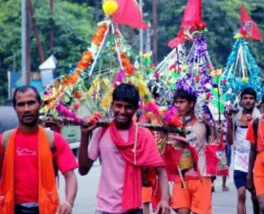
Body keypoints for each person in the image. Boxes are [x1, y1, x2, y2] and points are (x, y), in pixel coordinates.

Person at [78, 83, 170, 214]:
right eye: (118, 106)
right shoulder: (101, 132)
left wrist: (165, 199)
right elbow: (83, 170)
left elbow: (161, 171)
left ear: (135, 109)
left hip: (134, 209)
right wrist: (84, 135)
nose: (122, 111)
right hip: (105, 209)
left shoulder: (143, 135)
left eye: (128, 107)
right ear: (112, 105)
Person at [0, 85, 78, 214]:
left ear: (40, 104)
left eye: (31, 103)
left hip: (46, 209)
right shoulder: (4, 141)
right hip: (11, 209)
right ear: (15, 108)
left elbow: (70, 176)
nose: (26, 109)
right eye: (21, 104)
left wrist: (68, 202)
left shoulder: (54, 140)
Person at [170, 89, 213, 214]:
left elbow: (211, 142)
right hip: (181, 176)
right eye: (176, 102)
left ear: (192, 103)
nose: (178, 105)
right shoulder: (172, 124)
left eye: (182, 102)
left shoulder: (202, 123)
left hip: (201, 176)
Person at [226, 87, 260, 214]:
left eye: (251, 98)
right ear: (241, 100)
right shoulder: (235, 116)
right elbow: (229, 141)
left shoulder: (260, 118)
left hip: (256, 161)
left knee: (255, 195)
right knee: (241, 193)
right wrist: (229, 120)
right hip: (240, 160)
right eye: (245, 98)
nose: (248, 101)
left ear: (255, 101)